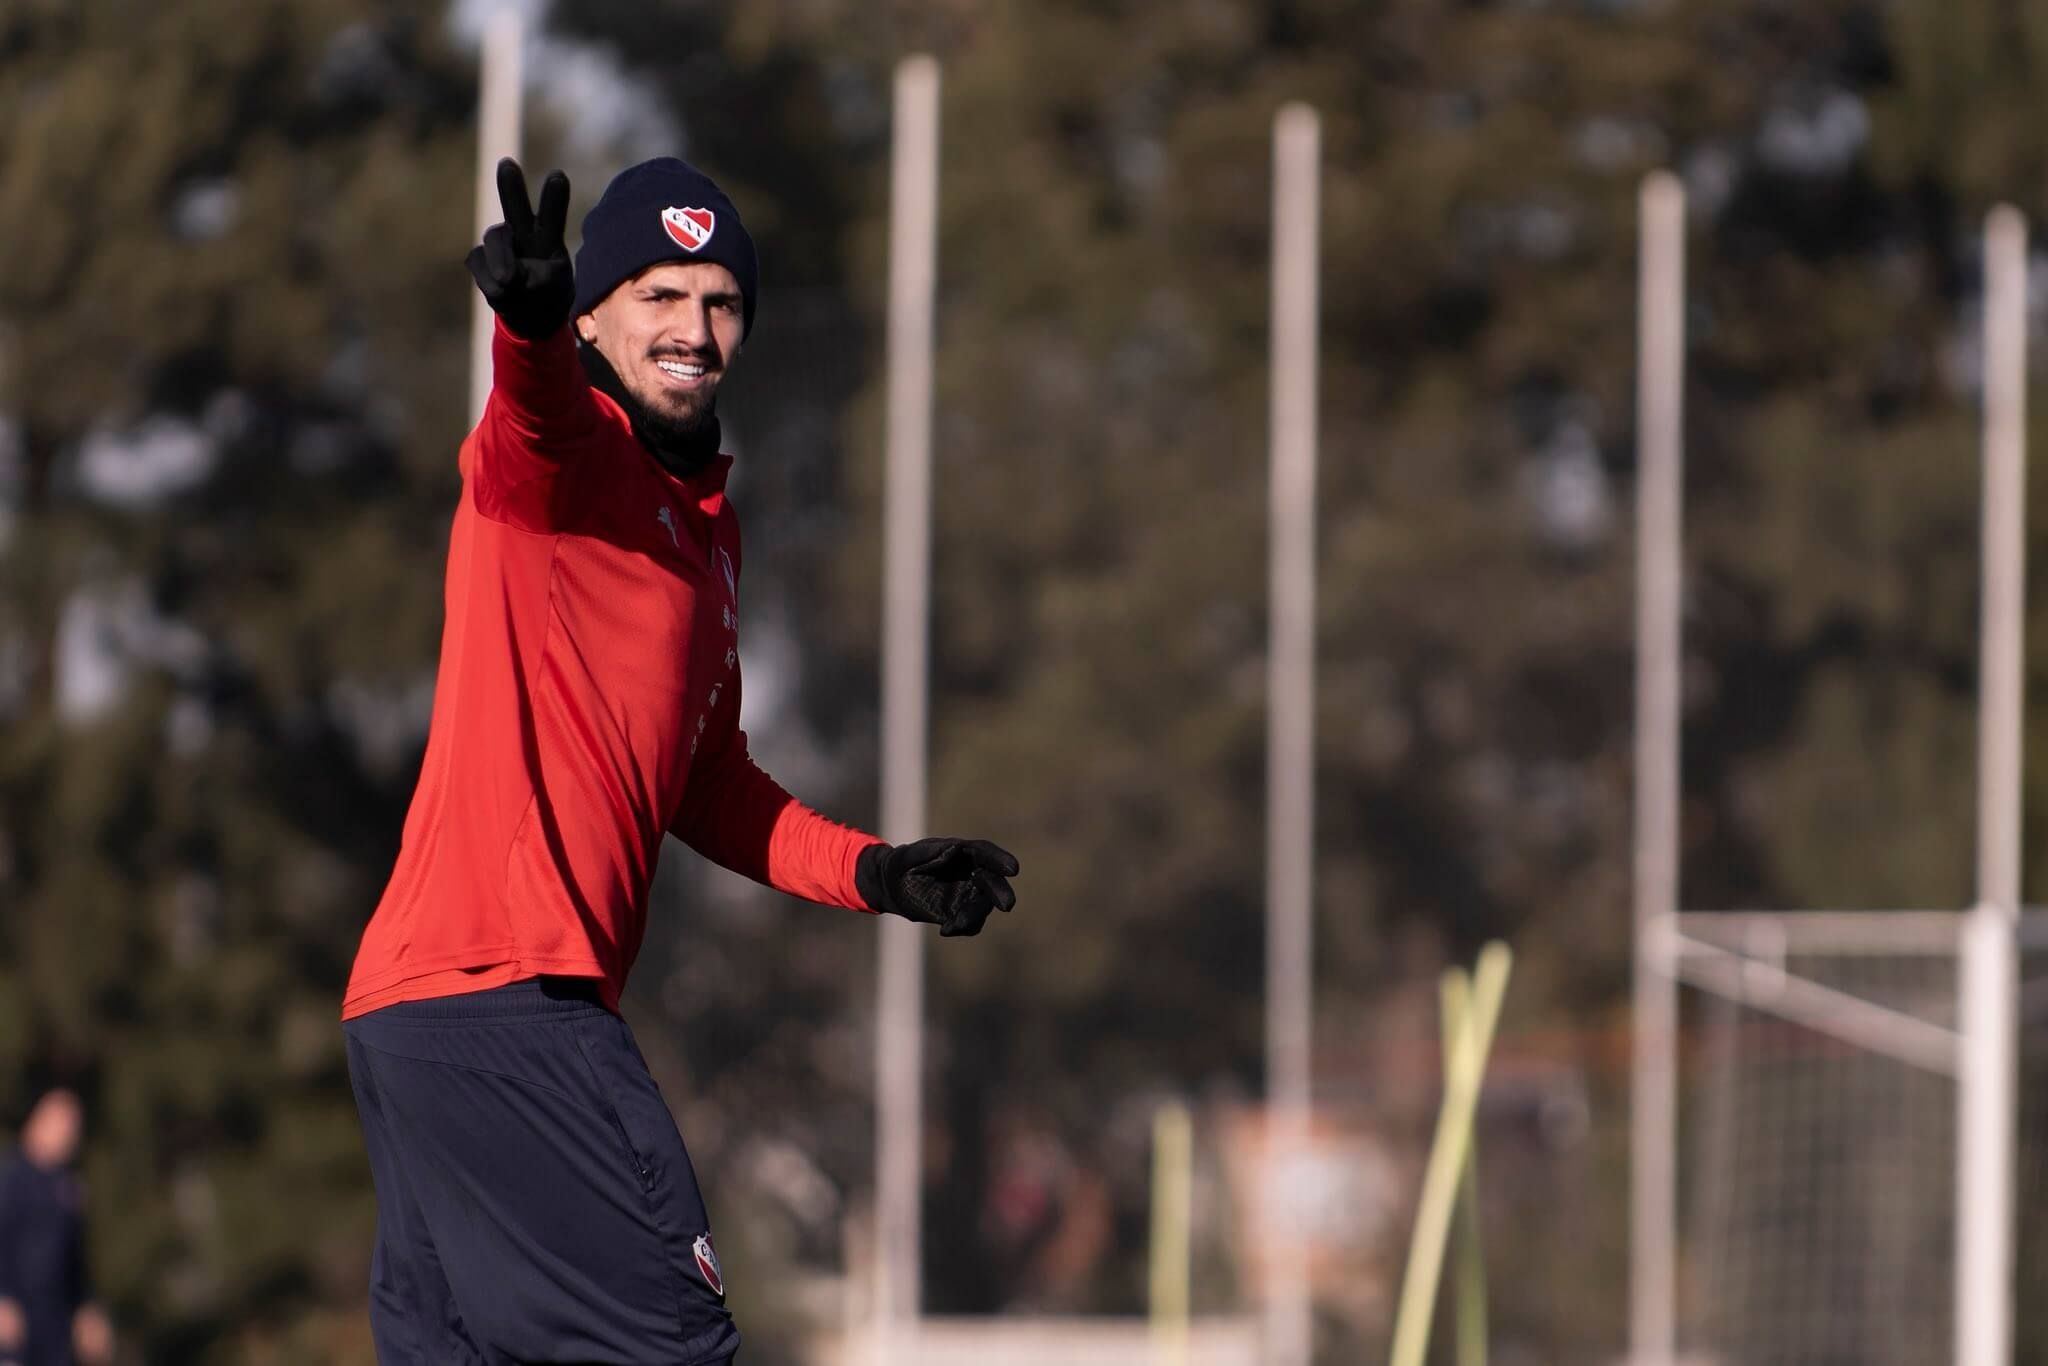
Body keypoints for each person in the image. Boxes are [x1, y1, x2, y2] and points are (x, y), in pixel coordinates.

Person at [339, 156, 1019, 1365]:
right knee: (675, 1345)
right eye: (657, 294)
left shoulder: (707, 536)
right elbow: (531, 418)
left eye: (719, 301)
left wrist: (880, 871)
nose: (692, 329)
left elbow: (707, 781)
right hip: (508, 996)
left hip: (421, 1014)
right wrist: (531, 330)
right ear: (596, 311)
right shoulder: (558, 462)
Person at [0, 1091, 114, 1366]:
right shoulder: (11, 1181)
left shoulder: (68, 1189)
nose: (68, 1132)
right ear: (36, 1121)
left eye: (74, 1125)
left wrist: (87, 1308)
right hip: (14, 1319)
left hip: (55, 1323)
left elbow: (75, 1261)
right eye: (61, 1121)